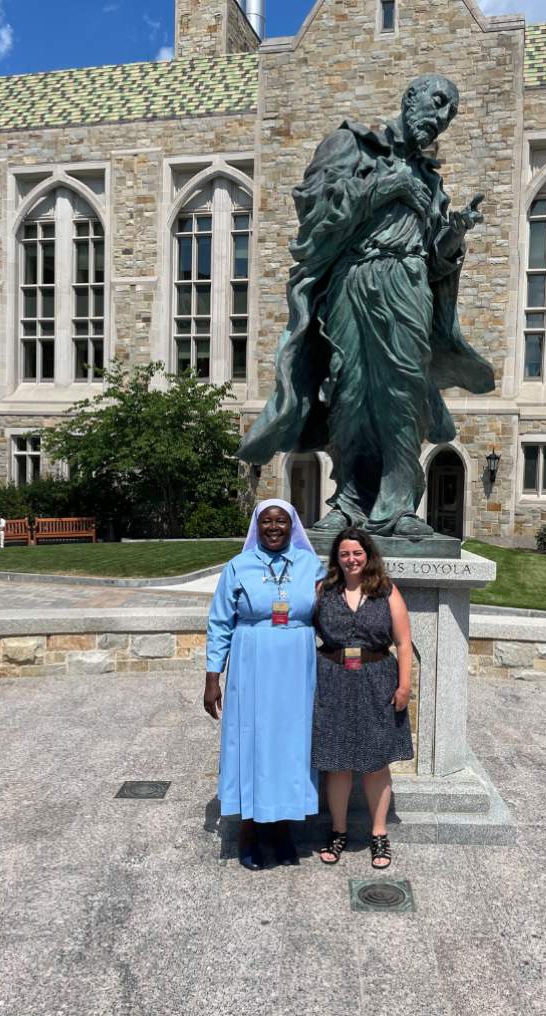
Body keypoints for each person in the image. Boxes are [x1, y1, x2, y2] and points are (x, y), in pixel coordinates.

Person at [238, 74, 495, 537]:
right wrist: (386, 187)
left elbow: (435, 261)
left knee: (405, 392)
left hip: (407, 285)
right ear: (409, 98)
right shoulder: (350, 145)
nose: (441, 119)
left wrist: (454, 233)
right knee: (348, 389)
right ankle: (349, 502)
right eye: (437, 104)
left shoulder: (431, 183)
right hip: (353, 280)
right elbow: (314, 211)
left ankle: (399, 505)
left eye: (450, 115)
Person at [203, 499, 325, 871]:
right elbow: (220, 622)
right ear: (257, 526)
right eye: (267, 521)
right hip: (251, 665)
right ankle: (249, 832)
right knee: (253, 743)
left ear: (293, 526)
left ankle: (283, 830)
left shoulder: (311, 566)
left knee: (291, 743)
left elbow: (332, 615)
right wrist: (213, 676)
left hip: (296, 668)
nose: (274, 527)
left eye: (281, 521)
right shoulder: (238, 567)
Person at [312, 528, 413, 869]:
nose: (351, 559)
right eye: (344, 554)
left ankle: (379, 835)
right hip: (333, 680)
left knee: (375, 762)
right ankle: (338, 832)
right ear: (336, 558)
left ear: (367, 555)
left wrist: (404, 686)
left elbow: (403, 641)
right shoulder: (324, 591)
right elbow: (299, 628)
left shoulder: (385, 590)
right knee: (336, 761)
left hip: (376, 681)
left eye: (357, 553)